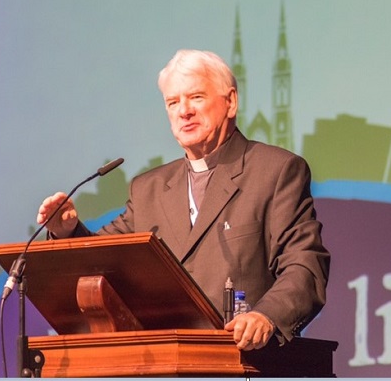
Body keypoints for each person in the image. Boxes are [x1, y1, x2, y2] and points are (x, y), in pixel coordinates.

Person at [37, 49, 330, 351]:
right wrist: (67, 231)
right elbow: (103, 260)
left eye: (196, 98)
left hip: (243, 362)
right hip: (162, 363)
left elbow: (304, 264)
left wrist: (265, 316)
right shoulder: (148, 188)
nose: (184, 111)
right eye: (173, 102)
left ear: (230, 102)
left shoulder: (275, 171)